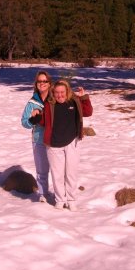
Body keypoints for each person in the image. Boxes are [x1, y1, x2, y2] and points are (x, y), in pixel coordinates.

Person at [30, 79, 93, 211]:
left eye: (62, 92)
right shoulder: (49, 104)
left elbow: (87, 112)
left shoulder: (74, 102)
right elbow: (43, 121)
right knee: (57, 174)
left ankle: (71, 200)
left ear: (67, 92)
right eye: (57, 92)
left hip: (72, 143)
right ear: (53, 93)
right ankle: (60, 199)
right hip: (53, 145)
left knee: (71, 173)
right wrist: (35, 115)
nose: (60, 95)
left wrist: (84, 98)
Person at [21, 71, 52, 203]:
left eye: (44, 81)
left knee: (58, 170)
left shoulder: (55, 99)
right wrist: (33, 120)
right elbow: (24, 122)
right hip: (38, 139)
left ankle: (61, 196)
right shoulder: (32, 102)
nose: (42, 84)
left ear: (49, 83)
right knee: (42, 170)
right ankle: (43, 194)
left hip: (55, 139)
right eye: (39, 81)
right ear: (36, 84)